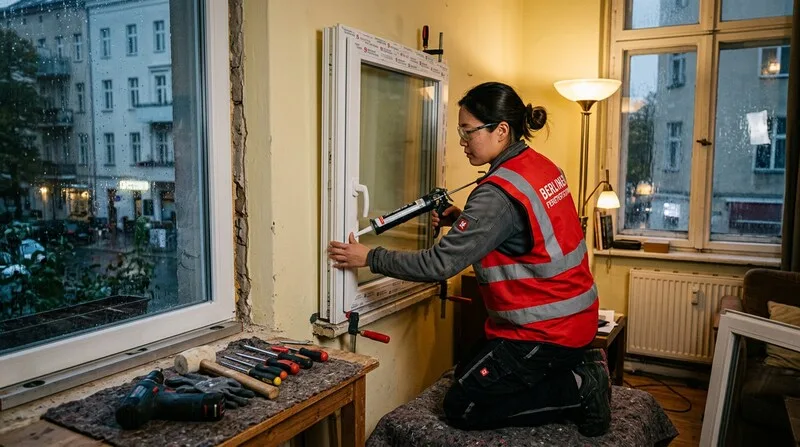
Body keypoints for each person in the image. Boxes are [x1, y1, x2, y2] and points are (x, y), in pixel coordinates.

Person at [327, 82, 611, 436]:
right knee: (466, 372)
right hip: (576, 317)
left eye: (468, 131)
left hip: (546, 331)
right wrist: (464, 219)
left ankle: (581, 390)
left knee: (463, 406)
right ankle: (574, 366)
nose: (462, 141)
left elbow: (439, 265)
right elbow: (521, 234)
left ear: (501, 130)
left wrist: (370, 257)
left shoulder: (496, 195)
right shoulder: (540, 167)